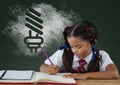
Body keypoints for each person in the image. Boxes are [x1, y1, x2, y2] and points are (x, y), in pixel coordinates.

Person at [40, 20, 119, 79]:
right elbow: (43, 67)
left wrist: (84, 76)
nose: (74, 51)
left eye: (78, 47)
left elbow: (114, 74)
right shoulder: (64, 53)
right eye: (71, 46)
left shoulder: (101, 56)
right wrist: (49, 69)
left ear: (92, 42)